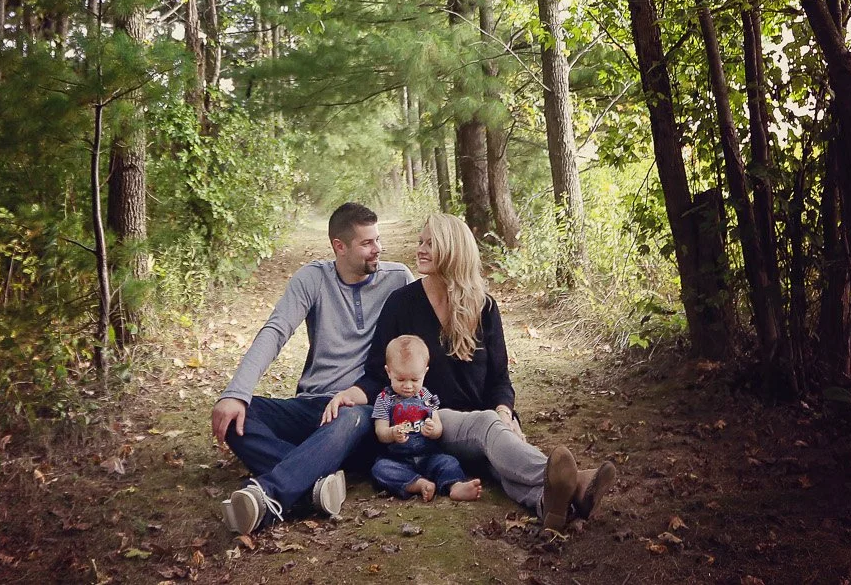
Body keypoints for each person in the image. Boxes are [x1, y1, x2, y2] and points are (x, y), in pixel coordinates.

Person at [346, 212, 616, 530]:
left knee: (497, 441)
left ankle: (551, 504)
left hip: (483, 430)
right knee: (488, 424)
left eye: (431, 243)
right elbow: (380, 370)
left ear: (454, 249)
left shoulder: (484, 307)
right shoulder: (401, 304)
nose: (420, 249)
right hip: (431, 423)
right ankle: (571, 479)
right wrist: (352, 393)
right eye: (420, 241)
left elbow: (500, 378)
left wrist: (504, 411)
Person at [211, 202, 414, 534]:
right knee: (237, 415)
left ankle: (271, 496)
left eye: (378, 240)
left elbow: (416, 348)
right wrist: (236, 392)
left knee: (351, 415)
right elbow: (274, 332)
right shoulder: (312, 279)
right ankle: (317, 484)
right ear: (339, 246)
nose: (378, 249)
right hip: (313, 407)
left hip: (362, 411)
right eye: (367, 243)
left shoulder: (397, 279)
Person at [370, 333, 482, 502]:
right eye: (400, 379)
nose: (408, 386)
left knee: (448, 462)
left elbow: (438, 427)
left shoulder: (426, 396)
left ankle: (455, 486)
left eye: (415, 379)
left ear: (425, 372)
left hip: (428, 455)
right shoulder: (384, 399)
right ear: (388, 372)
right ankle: (417, 484)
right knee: (380, 469)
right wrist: (392, 433)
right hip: (398, 459)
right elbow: (380, 431)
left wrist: (433, 429)